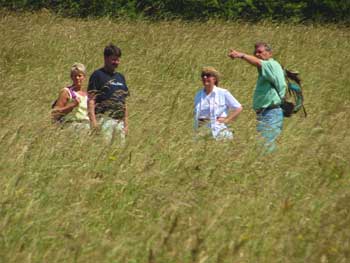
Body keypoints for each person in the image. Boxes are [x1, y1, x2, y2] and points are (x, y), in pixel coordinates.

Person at [228, 42, 286, 151]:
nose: (257, 54)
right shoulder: (268, 68)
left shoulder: (271, 64)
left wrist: (241, 55)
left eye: (260, 52)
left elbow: (258, 63)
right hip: (265, 113)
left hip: (271, 113)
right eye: (255, 53)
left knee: (265, 146)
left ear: (269, 53)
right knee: (263, 145)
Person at [87, 44, 129, 144]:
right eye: (113, 60)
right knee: (104, 149)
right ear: (105, 58)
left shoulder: (120, 77)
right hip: (104, 120)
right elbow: (91, 100)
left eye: (118, 60)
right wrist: (93, 121)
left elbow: (124, 103)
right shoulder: (97, 75)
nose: (116, 62)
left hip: (119, 122)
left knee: (119, 151)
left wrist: (126, 124)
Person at [194, 67, 243, 140]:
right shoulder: (198, 95)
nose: (204, 77)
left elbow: (238, 108)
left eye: (208, 75)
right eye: (203, 75)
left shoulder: (223, 93)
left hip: (219, 131)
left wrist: (227, 120)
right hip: (202, 131)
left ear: (214, 79)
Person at [51, 63, 89, 129]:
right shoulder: (66, 92)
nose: (77, 78)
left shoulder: (87, 94)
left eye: (79, 76)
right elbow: (55, 113)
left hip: (86, 127)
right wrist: (71, 105)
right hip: (71, 127)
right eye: (74, 76)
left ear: (84, 77)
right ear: (71, 77)